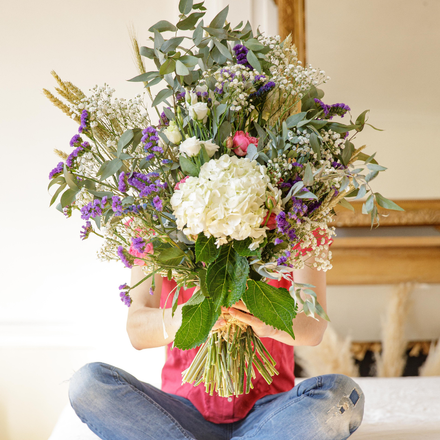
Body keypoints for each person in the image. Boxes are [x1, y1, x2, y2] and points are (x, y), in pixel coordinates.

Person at [69, 252, 364, 440]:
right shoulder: (155, 225)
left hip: (269, 413)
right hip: (180, 414)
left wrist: (269, 321)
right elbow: (137, 330)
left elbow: (313, 327)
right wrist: (194, 317)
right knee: (87, 385)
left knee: (344, 396)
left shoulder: (295, 220)